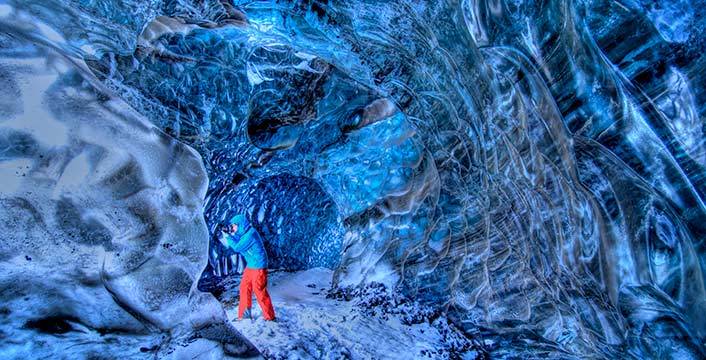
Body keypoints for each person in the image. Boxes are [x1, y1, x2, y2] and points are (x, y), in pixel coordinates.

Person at [219, 214, 276, 321]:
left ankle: (270, 317)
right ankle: (244, 315)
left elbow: (237, 247)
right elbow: (239, 239)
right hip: (251, 265)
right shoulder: (246, 233)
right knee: (244, 288)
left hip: (259, 266)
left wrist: (227, 236)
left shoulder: (251, 234)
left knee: (259, 290)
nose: (233, 228)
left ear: (240, 225)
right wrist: (230, 233)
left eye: (234, 226)